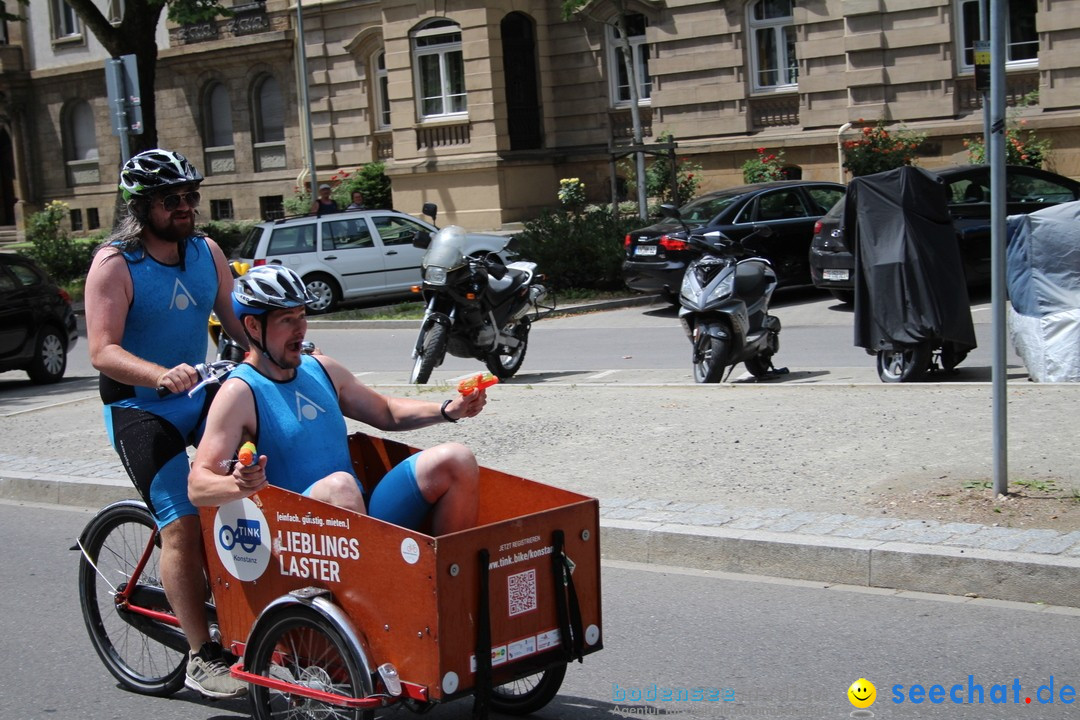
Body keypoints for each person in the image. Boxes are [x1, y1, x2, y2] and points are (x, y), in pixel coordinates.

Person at [84, 149, 250, 699]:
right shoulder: (116, 264)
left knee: (255, 481)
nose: (184, 207)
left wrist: (275, 355)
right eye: (169, 200)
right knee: (180, 523)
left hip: (199, 395)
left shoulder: (206, 252)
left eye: (189, 197)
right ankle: (203, 656)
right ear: (143, 207)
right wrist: (158, 374)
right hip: (139, 409)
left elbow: (236, 321)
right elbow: (103, 351)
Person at [188, 265, 484, 534]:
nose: (300, 329)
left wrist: (449, 410)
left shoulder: (321, 369)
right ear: (253, 327)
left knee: (456, 458)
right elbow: (198, 486)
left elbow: (387, 412)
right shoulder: (240, 391)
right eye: (286, 319)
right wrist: (237, 484)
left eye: (302, 316)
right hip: (295, 530)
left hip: (354, 514)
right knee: (340, 485)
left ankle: (444, 578)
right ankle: (383, 581)